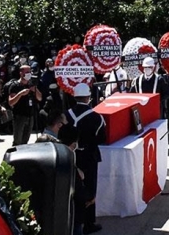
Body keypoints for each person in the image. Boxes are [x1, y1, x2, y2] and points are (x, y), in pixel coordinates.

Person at [66, 83, 106, 235]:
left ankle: (73, 220)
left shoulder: (66, 114)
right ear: (88, 97)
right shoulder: (96, 117)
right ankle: (89, 223)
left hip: (71, 155)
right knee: (89, 189)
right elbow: (102, 137)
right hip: (89, 157)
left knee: (72, 188)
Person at [7, 65, 42, 146]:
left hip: (30, 116)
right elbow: (11, 102)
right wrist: (20, 94)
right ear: (21, 73)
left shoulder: (31, 84)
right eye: (26, 72)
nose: (29, 74)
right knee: (17, 141)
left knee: (25, 141)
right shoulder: (15, 86)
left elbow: (40, 98)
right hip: (19, 116)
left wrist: (35, 90)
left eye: (30, 72)